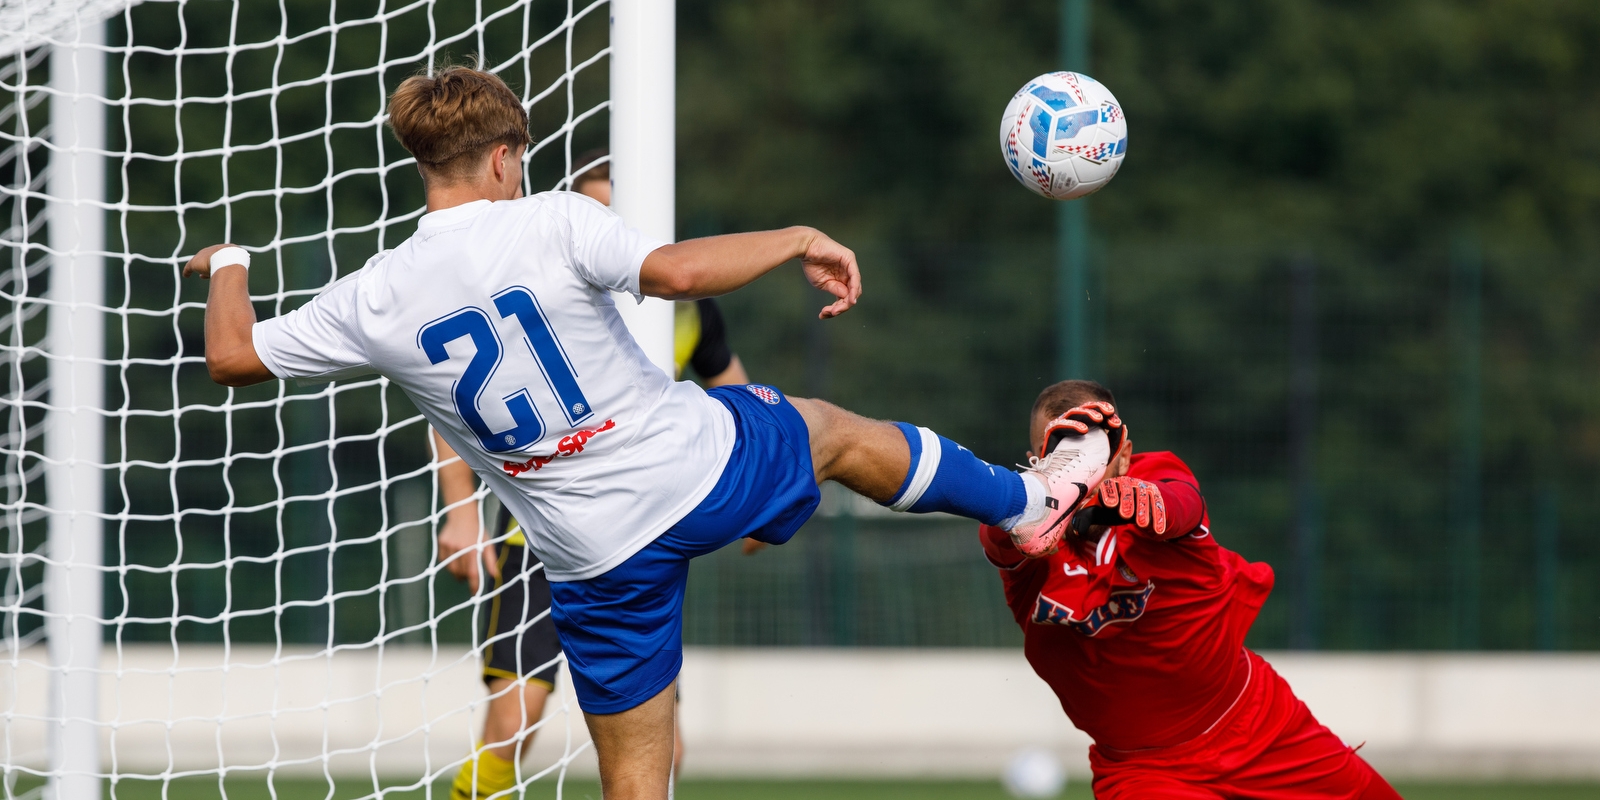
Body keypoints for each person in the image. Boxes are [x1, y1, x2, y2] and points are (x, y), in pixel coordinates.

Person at [184, 65, 1114, 799]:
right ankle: (1029, 503)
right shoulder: (554, 219)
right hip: (691, 471)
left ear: (424, 161)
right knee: (828, 431)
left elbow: (230, 356)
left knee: (634, 776)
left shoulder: (373, 294)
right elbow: (672, 272)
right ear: (507, 156)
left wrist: (230, 261)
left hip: (588, 553)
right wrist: (796, 238)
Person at [430, 151, 747, 799]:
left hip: (635, 532)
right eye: (592, 206)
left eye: (615, 209)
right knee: (513, 726)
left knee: (668, 751)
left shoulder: (685, 308)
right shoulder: (539, 287)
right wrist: (461, 511)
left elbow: (735, 393)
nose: (602, 219)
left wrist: (751, 491)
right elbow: (453, 398)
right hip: (538, 540)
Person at [979, 380, 1402, 800]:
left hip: (1258, 724)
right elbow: (995, 532)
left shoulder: (1157, 479)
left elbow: (1183, 504)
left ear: (1123, 455)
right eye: (1058, 458)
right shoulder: (1025, 528)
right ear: (1035, 464)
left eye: (1089, 454)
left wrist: (1133, 501)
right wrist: (1031, 506)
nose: (1075, 471)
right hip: (1142, 770)